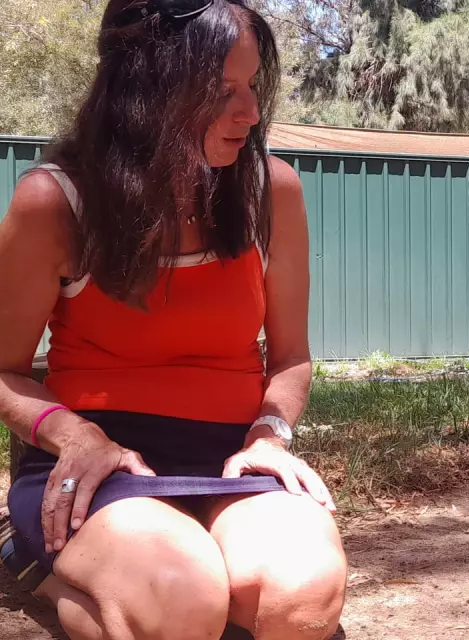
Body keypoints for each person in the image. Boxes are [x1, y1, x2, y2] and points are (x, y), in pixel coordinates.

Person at [0, 1, 347, 639]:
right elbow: (3, 371)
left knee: (301, 601)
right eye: (220, 93)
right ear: (145, 91)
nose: (249, 113)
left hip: (231, 459)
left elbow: (291, 356)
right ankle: (37, 564)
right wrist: (76, 438)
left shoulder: (274, 192)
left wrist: (269, 434)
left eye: (252, 88)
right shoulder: (55, 202)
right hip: (96, 465)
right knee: (184, 602)